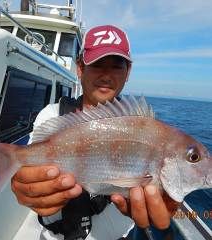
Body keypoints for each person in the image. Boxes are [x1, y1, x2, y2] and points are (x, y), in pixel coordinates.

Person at [11, 25, 182, 240]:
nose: (106, 75)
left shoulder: (145, 129)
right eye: (97, 64)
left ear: (128, 72)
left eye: (116, 66)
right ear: (80, 68)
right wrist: (28, 186)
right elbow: (32, 175)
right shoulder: (53, 115)